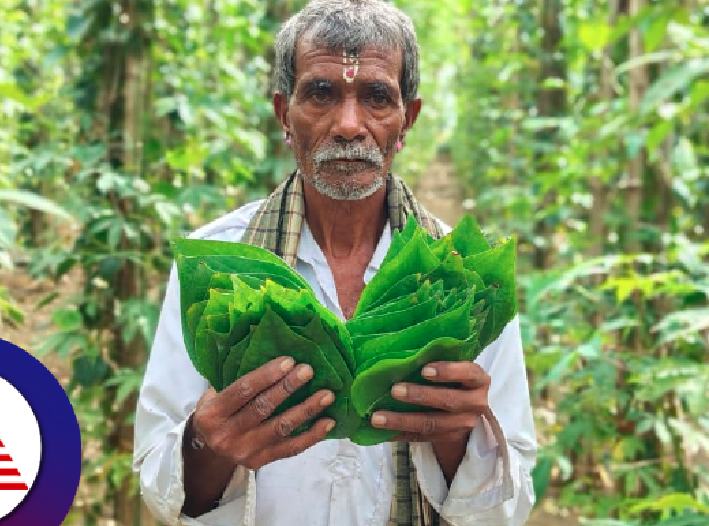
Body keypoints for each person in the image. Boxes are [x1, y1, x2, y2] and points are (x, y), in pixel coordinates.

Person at [132, 1, 539, 525]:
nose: (349, 125)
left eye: (376, 97)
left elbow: (511, 503)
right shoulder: (218, 268)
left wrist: (460, 436)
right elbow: (157, 480)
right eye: (321, 94)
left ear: (406, 119)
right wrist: (208, 444)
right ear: (285, 114)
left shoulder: (460, 281)